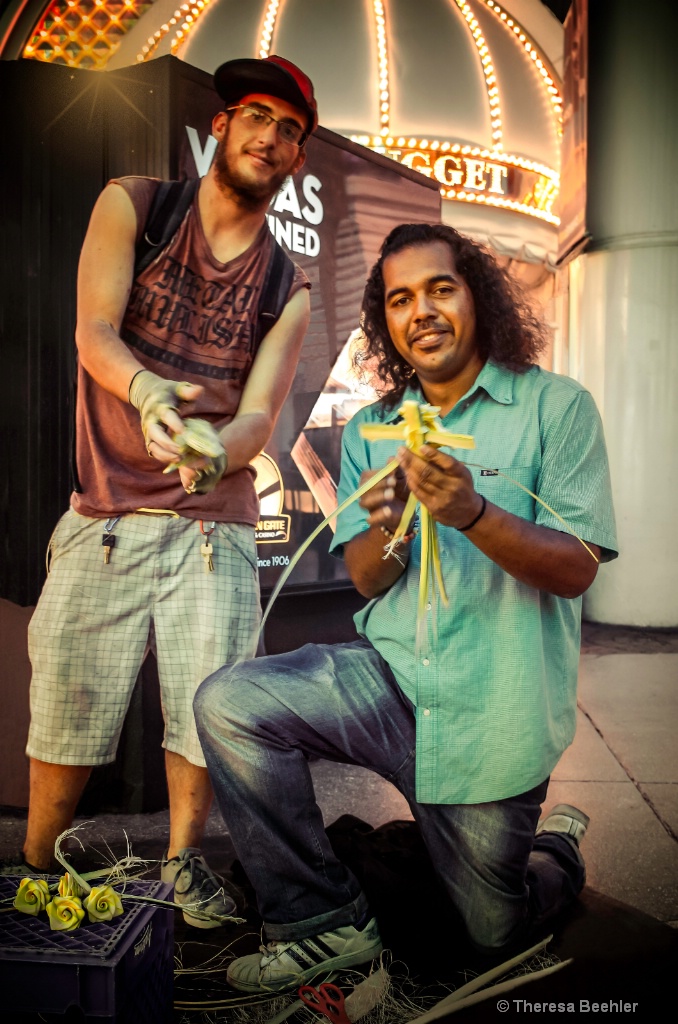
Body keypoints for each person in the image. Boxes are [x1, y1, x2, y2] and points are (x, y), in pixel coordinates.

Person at [194, 222, 618, 986]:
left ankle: (554, 851)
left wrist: (472, 515)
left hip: (496, 708)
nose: (420, 310)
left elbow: (578, 568)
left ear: (477, 298)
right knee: (232, 704)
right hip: (389, 681)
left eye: (439, 289)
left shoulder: (556, 408)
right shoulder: (372, 429)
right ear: (384, 321)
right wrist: (392, 518)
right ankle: (321, 919)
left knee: (493, 933)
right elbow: (365, 577)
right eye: (399, 299)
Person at [12, 56, 318, 928]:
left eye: (290, 130)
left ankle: (185, 868)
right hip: (104, 516)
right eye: (258, 115)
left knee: (203, 713)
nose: (272, 136)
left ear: (297, 158)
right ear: (220, 126)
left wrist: (216, 454)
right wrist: (147, 395)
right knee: (66, 705)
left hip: (215, 526)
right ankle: (35, 866)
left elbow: (261, 416)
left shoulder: (284, 284)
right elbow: (93, 330)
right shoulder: (136, 205)